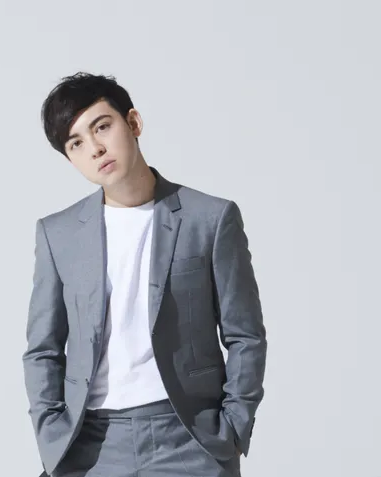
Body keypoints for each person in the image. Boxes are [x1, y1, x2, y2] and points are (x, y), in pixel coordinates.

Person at [22, 72, 267, 477]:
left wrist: (234, 427)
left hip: (188, 438)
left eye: (102, 127)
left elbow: (245, 335)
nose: (96, 149)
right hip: (88, 444)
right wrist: (50, 432)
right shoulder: (57, 234)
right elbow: (43, 348)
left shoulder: (210, 218)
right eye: (76, 143)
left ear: (133, 122)